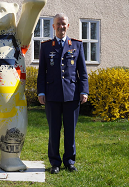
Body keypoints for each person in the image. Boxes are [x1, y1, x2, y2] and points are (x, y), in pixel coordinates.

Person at [37, 13, 88, 174]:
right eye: (58, 24)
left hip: (72, 95)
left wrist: (84, 90)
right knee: (54, 130)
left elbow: (82, 72)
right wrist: (41, 92)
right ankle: (55, 162)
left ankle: (69, 161)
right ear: (53, 26)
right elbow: (42, 73)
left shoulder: (77, 45)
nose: (61, 26)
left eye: (64, 24)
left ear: (68, 26)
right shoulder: (46, 46)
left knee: (70, 130)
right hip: (52, 95)